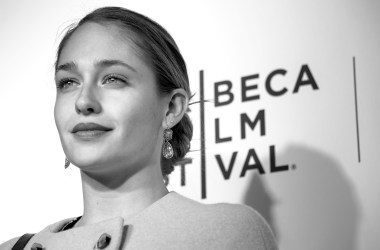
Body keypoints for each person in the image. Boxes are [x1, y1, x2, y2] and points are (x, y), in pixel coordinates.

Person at [0, 6, 277, 250]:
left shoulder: (224, 233)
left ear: (171, 109)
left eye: (113, 78)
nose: (83, 102)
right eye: (68, 82)